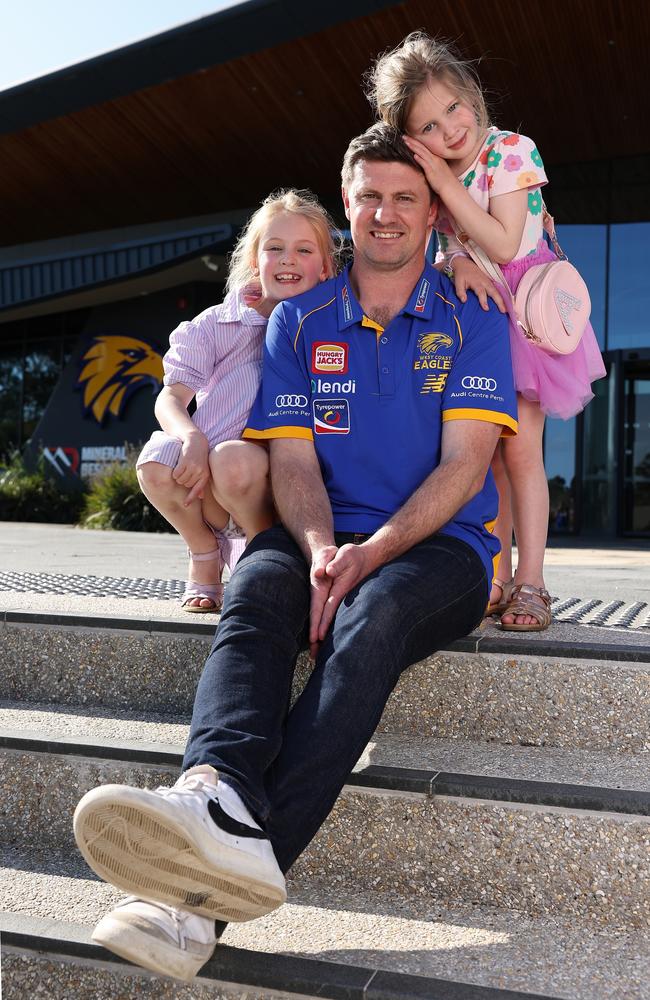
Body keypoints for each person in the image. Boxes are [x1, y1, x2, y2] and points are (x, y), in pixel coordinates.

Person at [72, 123, 517, 982]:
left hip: (444, 550)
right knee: (259, 590)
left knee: (374, 618)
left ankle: (192, 892)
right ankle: (212, 792)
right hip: (321, 530)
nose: (385, 213)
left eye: (405, 197)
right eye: (370, 197)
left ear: (432, 213)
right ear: (348, 206)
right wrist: (319, 549)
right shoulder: (300, 320)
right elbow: (296, 460)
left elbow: (467, 467)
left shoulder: (472, 312)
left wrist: (369, 555)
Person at [367, 32, 606, 631]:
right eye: (427, 125)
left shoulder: (509, 152)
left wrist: (448, 191)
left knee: (523, 453)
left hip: (524, 318)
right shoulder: (440, 178)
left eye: (453, 107)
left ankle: (534, 583)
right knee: (489, 459)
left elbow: (503, 241)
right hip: (483, 325)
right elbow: (449, 249)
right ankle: (497, 579)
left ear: (471, 93)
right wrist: (455, 261)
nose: (449, 129)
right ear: (409, 138)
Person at [136, 189, 337, 611]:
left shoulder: (330, 329)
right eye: (275, 248)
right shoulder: (217, 324)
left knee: (233, 459)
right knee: (156, 460)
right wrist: (191, 436)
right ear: (254, 260)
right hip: (204, 481)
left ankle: (263, 559)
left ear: (324, 268)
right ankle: (204, 554)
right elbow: (170, 398)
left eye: (304, 250)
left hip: (264, 481)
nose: (288, 259)